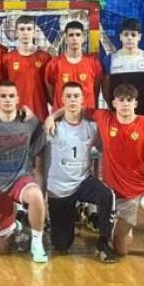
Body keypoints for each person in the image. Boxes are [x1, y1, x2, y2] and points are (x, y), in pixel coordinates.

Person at [85, 83, 144, 261]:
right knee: (121, 249)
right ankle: (117, 231)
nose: (125, 104)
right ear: (114, 103)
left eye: (129, 100)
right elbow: (77, 110)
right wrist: (53, 117)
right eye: (121, 100)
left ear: (135, 103)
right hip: (121, 194)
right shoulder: (104, 118)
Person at [44, 82, 117, 262]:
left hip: (82, 181)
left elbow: (102, 150)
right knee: (61, 245)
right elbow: (38, 157)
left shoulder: (92, 127)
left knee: (106, 195)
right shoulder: (52, 127)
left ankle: (103, 242)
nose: (72, 100)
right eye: (68, 96)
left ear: (83, 99)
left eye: (76, 96)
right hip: (59, 189)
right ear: (62, 99)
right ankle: (65, 220)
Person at [0, 81, 49, 263]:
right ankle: (15, 225)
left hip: (20, 179)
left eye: (11, 96)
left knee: (36, 195)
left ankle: (37, 243)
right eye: (3, 96)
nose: (7, 99)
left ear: (18, 99)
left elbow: (40, 142)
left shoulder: (30, 121)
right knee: (5, 245)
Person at [101, 18, 144, 117]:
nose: (129, 38)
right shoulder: (109, 60)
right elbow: (106, 91)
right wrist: (113, 109)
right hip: (118, 116)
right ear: (120, 36)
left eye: (133, 35)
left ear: (139, 37)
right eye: (126, 34)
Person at [1, 16, 52, 121]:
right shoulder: (7, 59)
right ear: (16, 33)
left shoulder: (45, 58)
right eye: (22, 29)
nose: (25, 32)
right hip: (15, 114)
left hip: (40, 113)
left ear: (34, 33)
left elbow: (50, 88)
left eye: (29, 29)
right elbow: (3, 87)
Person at [45, 21, 103, 110]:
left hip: (87, 115)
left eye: (78, 35)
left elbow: (96, 90)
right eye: (71, 35)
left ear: (83, 38)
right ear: (65, 38)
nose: (74, 38)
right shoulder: (54, 64)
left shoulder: (94, 63)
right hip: (62, 116)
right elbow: (49, 92)